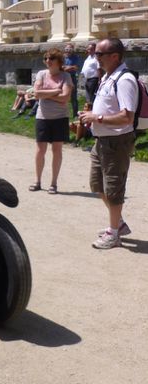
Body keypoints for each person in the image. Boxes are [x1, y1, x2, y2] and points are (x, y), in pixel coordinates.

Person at [80, 38, 139, 249]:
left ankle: (113, 233)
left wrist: (97, 118)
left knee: (113, 188)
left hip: (117, 141)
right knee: (97, 185)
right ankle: (119, 224)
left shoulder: (124, 80)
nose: (96, 58)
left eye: (99, 54)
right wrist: (90, 116)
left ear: (115, 56)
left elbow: (127, 117)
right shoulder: (108, 76)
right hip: (102, 140)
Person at [29, 48, 71, 194]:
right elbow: (36, 93)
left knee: (56, 150)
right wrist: (55, 92)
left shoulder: (66, 76)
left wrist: (44, 95)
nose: (48, 61)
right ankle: (38, 181)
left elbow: (65, 98)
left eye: (51, 58)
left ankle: (53, 183)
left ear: (59, 61)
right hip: (43, 117)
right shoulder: (41, 74)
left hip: (60, 118)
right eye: (46, 58)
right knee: (40, 150)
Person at [63, 43, 81, 118]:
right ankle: (63, 113)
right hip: (63, 77)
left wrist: (65, 68)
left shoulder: (76, 57)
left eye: (70, 49)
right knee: (63, 95)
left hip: (72, 77)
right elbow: (60, 67)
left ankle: (75, 114)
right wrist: (70, 67)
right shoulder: (62, 57)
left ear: (72, 50)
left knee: (74, 96)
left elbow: (76, 67)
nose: (68, 51)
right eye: (66, 49)